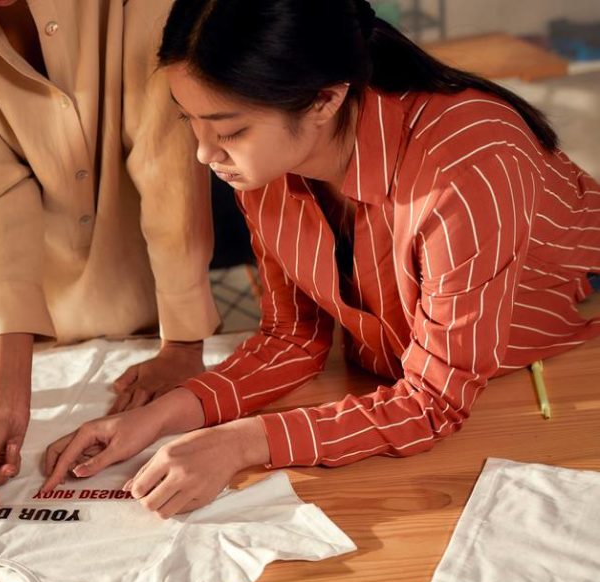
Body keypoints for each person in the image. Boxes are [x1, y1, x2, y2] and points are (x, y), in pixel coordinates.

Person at [42, 0, 600, 517]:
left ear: (325, 99)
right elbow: (292, 338)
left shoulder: (467, 165)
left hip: (568, 364)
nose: (204, 154)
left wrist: (240, 443)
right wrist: (150, 420)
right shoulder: (264, 165)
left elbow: (432, 404)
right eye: (190, 120)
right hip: (436, 375)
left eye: (230, 130)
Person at [0, 0, 222, 507]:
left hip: (158, 283)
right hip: (44, 309)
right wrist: (3, 399)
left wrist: (182, 344)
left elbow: (165, 153)